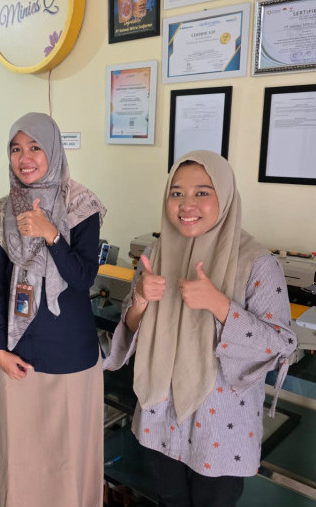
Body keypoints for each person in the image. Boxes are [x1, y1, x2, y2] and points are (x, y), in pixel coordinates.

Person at [104, 150, 297, 507]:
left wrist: (219, 304)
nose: (186, 204)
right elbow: (132, 327)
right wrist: (141, 298)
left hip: (219, 426)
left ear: (225, 197)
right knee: (169, 500)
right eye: (176, 192)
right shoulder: (157, 251)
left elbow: (280, 344)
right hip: (160, 414)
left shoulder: (256, 263)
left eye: (202, 192)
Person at [0, 112, 107, 506]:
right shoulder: (3, 211)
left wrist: (51, 234)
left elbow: (83, 277)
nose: (25, 158)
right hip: (19, 348)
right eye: (16, 149)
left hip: (70, 349)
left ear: (53, 149)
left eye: (35, 147)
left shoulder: (81, 205)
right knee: (22, 448)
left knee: (68, 450)